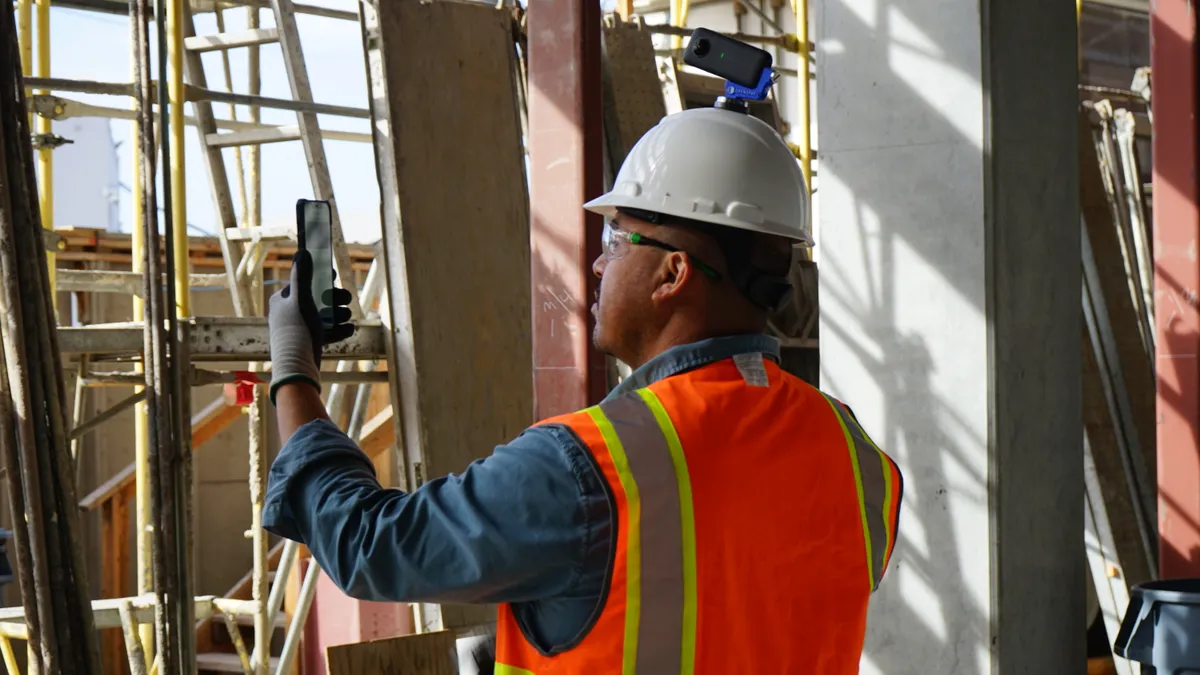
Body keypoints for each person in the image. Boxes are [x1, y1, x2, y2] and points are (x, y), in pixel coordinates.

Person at [263, 104, 904, 674]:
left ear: (673, 273)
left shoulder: (590, 466)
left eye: (616, 238)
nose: (599, 262)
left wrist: (293, 369)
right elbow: (746, 610)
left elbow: (372, 545)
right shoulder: (855, 455)